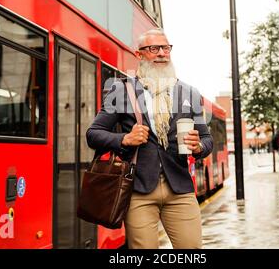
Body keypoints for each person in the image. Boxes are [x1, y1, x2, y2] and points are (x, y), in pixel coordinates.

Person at [86, 28, 213, 249]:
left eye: (166, 48)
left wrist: (199, 146)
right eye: (154, 48)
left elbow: (207, 139)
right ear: (139, 54)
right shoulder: (122, 90)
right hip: (139, 190)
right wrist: (125, 138)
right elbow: (93, 134)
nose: (162, 53)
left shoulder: (189, 93)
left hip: (180, 190)